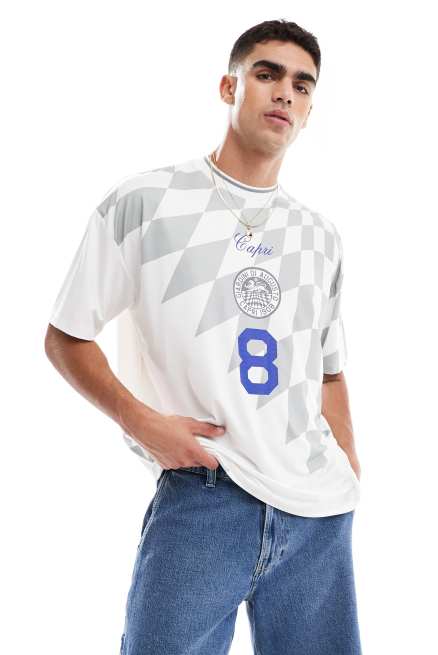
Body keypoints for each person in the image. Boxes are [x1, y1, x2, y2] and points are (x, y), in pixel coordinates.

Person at [44, 18, 363, 655]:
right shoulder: (146, 202)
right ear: (229, 87)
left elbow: (329, 368)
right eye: (267, 74)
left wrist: (347, 468)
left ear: (309, 110)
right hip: (206, 494)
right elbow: (65, 337)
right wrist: (142, 421)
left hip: (317, 515)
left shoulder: (319, 235)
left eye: (302, 85)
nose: (285, 93)